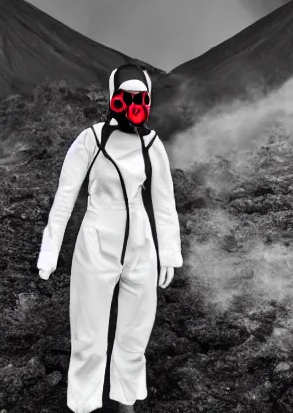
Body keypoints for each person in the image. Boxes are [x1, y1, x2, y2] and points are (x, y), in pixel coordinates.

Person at [37, 64, 183, 413]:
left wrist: (168, 254)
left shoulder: (151, 144)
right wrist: (50, 250)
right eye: (125, 96)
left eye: (139, 98)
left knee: (135, 331)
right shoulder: (91, 139)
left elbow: (164, 203)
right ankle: (84, 405)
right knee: (88, 333)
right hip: (97, 240)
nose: (132, 103)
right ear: (113, 96)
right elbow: (65, 197)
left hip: (140, 244)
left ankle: (125, 398)